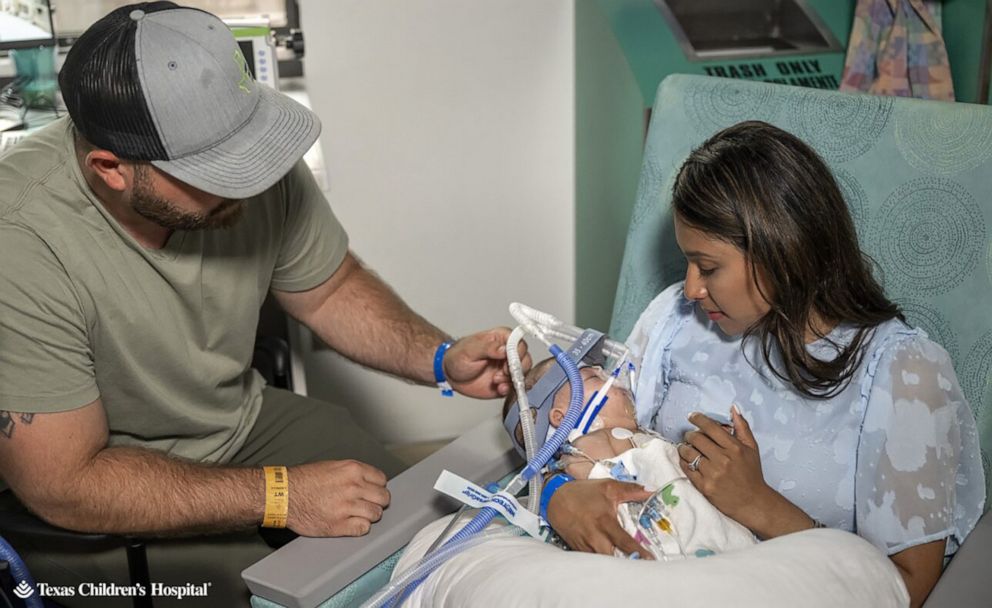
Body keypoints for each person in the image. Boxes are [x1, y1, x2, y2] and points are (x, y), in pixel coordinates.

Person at [0, 3, 529, 606]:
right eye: (214, 171)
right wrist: (279, 495)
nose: (251, 182)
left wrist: (439, 358)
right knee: (286, 588)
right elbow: (64, 483)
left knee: (424, 532)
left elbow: (328, 287)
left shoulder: (250, 169)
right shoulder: (18, 240)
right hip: (103, 473)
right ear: (111, 169)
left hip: (236, 420)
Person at [543, 121, 985, 608]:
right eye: (687, 263)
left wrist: (759, 505)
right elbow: (579, 428)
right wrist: (558, 494)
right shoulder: (675, 321)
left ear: (783, 250)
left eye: (708, 267)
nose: (690, 288)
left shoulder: (904, 373)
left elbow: (907, 587)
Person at [502, 359, 756, 560]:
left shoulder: (648, 437)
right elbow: (582, 482)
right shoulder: (587, 446)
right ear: (561, 418)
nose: (609, 376)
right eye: (594, 377)